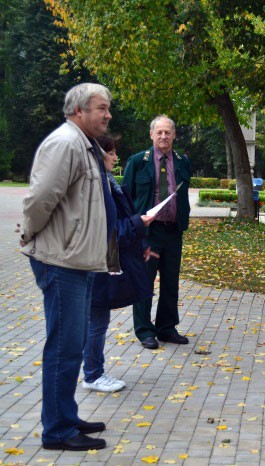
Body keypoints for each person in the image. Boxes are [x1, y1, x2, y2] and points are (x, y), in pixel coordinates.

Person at [20, 83, 117, 451]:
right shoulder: (65, 143)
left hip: (79, 260)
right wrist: (29, 232)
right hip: (62, 261)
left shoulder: (85, 144)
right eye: (101, 108)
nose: (108, 115)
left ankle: (65, 415)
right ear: (78, 110)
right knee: (64, 347)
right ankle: (57, 430)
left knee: (72, 346)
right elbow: (41, 197)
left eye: (108, 108)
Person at [82, 135, 155, 392]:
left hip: (102, 261)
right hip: (97, 262)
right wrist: (140, 223)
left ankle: (93, 371)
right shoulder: (97, 187)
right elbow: (109, 231)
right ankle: (92, 374)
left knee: (97, 318)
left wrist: (141, 242)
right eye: (111, 153)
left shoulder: (109, 182)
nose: (115, 157)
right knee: (97, 319)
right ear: (100, 154)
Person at [122, 115, 192, 349]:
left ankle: (167, 328)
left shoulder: (182, 162)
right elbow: (126, 197)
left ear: (174, 135)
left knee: (171, 282)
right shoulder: (137, 162)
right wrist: (132, 228)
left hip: (173, 231)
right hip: (147, 234)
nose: (163, 136)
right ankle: (144, 330)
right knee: (144, 281)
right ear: (151, 134)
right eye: (159, 132)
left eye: (168, 132)